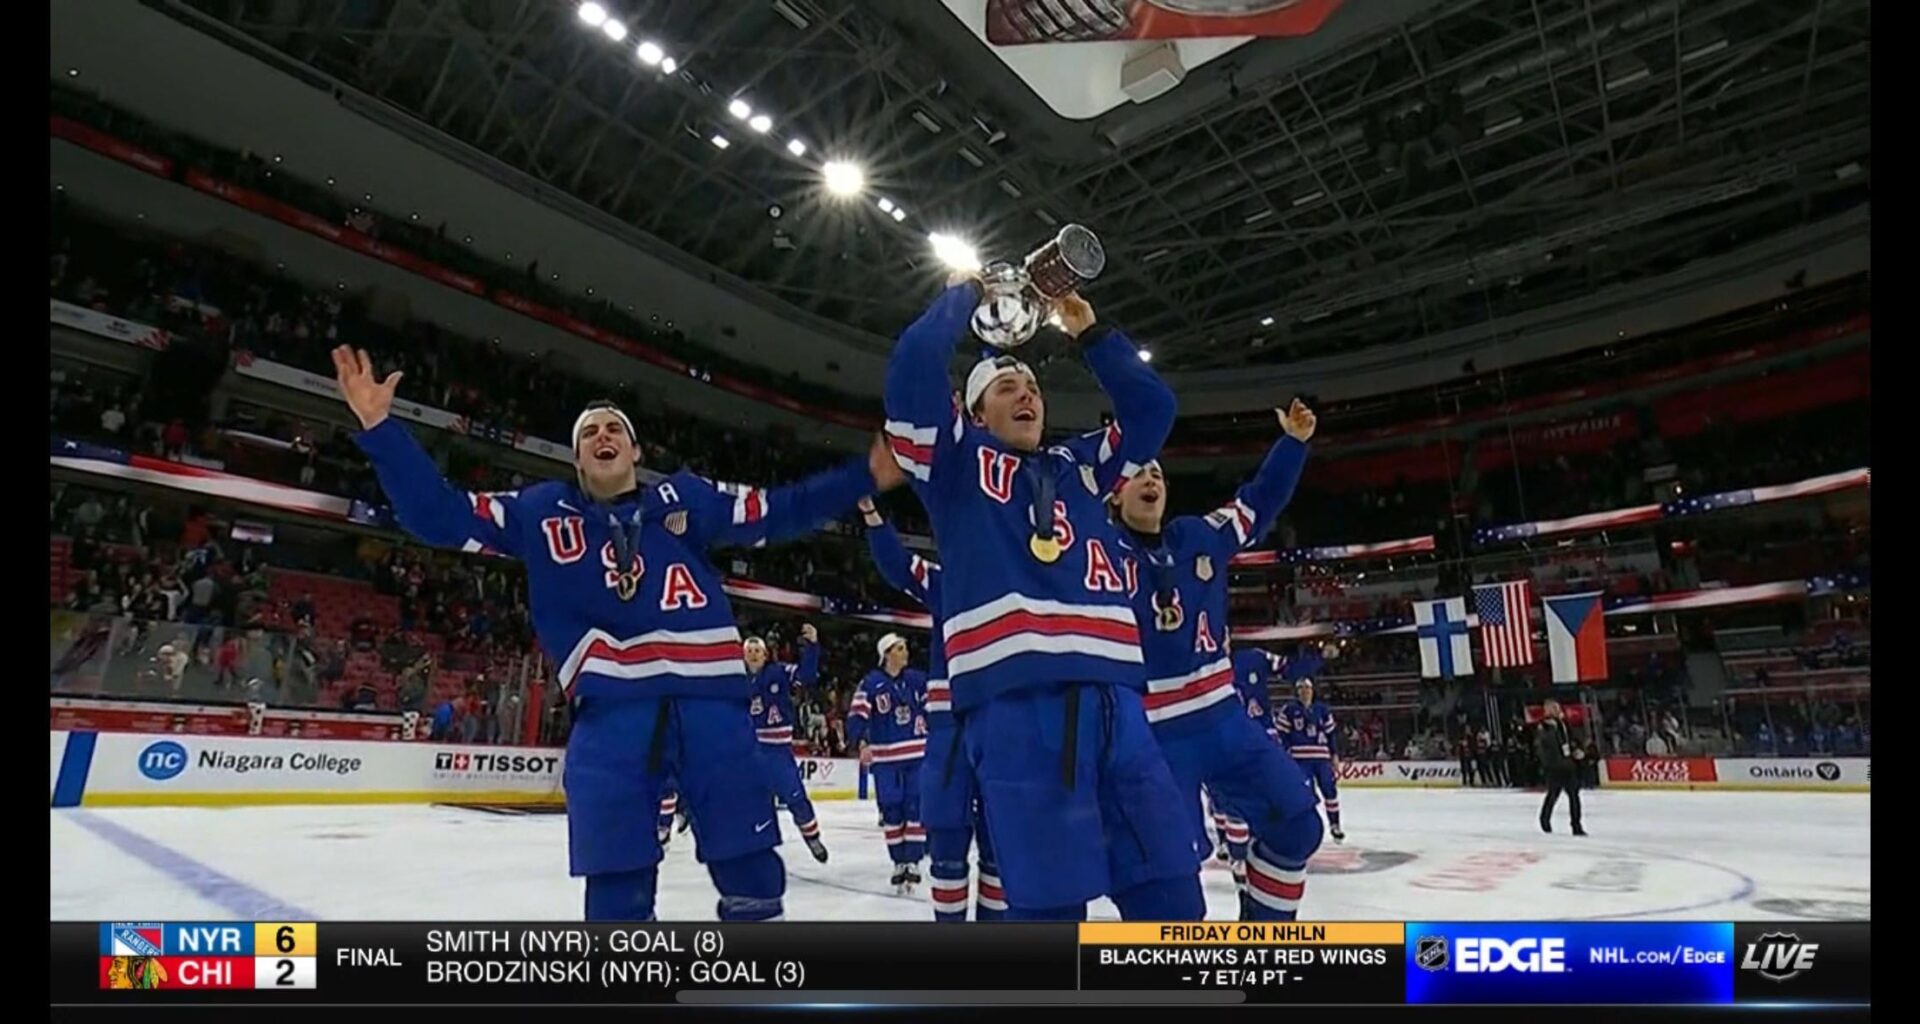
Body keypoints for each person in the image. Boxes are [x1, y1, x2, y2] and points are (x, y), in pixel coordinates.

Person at [332, 344, 900, 921]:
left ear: (635, 450)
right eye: (589, 434)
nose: (602, 437)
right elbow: (438, 516)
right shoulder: (540, 512)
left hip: (712, 710)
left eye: (613, 429)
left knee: (753, 874)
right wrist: (381, 429)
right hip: (612, 716)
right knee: (616, 891)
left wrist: (866, 475)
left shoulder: (687, 501)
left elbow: (779, 510)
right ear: (578, 459)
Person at [883, 278, 1198, 921]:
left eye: (1032, 387)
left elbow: (1153, 411)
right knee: (1051, 915)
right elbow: (913, 367)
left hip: (1119, 705)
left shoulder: (1080, 466)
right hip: (1019, 710)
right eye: (1007, 388)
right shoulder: (950, 463)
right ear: (973, 413)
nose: (1027, 394)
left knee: (1172, 897)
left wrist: (1090, 332)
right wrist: (963, 298)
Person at [1107, 404, 1322, 920]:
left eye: (1156, 471)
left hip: (1225, 721)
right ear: (1112, 494)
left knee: (1299, 828)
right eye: (1137, 471)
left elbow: (1258, 501)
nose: (1150, 476)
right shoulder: (1098, 550)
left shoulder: (1197, 536)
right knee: (1172, 900)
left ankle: (1261, 947)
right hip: (1148, 739)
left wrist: (1292, 443)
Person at [862, 498, 1002, 922]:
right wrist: (872, 516)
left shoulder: (1021, 577)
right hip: (949, 730)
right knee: (945, 845)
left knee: (999, 847)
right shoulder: (946, 580)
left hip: (1003, 723)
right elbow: (896, 564)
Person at [847, 633, 930, 894]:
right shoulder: (870, 683)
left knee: (915, 808)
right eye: (900, 648)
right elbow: (857, 715)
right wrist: (860, 742)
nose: (906, 652)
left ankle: (913, 861)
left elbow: (935, 711)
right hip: (885, 759)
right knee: (891, 811)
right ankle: (899, 861)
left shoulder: (917, 680)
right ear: (887, 654)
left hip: (917, 755)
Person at [742, 624, 830, 863]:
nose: (753, 654)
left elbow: (806, 676)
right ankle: (759, 849)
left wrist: (812, 647)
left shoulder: (779, 671)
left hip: (777, 752)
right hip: (749, 753)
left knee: (796, 797)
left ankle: (812, 838)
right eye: (749, 650)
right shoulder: (735, 680)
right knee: (753, 803)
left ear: (765, 654)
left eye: (757, 650)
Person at [1275, 678, 1344, 844]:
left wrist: (1334, 755)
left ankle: (1335, 825)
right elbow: (1281, 735)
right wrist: (1286, 754)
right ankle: (1308, 830)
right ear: (1296, 691)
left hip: (1321, 759)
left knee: (1330, 791)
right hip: (1300, 760)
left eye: (1307, 688)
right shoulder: (1289, 710)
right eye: (1301, 688)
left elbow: (1331, 734)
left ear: (1313, 690)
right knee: (1305, 796)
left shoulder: (1322, 710)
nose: (1305, 691)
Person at [1535, 700, 1587, 835]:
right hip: (1554, 767)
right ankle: (1544, 819)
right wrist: (1548, 764)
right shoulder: (1544, 727)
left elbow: (1570, 740)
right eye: (1553, 708)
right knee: (1553, 794)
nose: (1556, 710)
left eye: (1557, 708)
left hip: (1568, 765)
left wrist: (1577, 750)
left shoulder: (1564, 725)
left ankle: (1576, 825)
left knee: (1574, 796)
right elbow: (1544, 747)